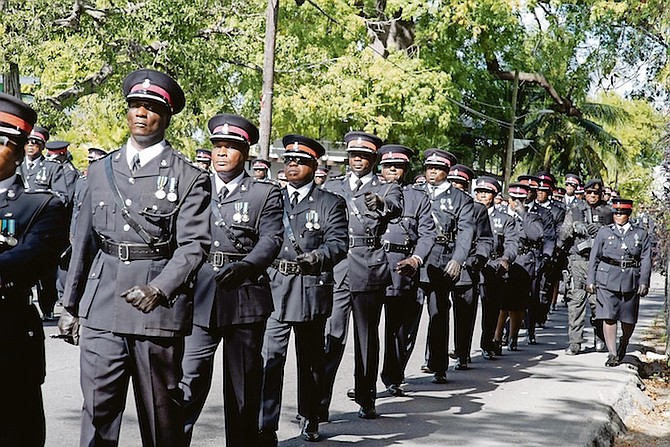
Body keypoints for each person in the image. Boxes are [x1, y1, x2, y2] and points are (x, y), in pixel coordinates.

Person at [60, 68, 211, 447]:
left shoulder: (188, 177)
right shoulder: (99, 171)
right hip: (102, 308)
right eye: (135, 105)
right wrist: (69, 304)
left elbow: (194, 245)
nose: (141, 113)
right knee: (97, 412)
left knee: (161, 417)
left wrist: (160, 288)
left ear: (167, 115)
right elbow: (84, 243)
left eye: (151, 107)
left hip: (156, 313)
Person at [180, 113, 284, 446]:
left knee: (243, 385)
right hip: (198, 295)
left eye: (231, 147)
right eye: (217, 146)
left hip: (243, 295)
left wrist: (249, 266)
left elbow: (271, 239)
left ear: (246, 153)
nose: (222, 153)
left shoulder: (264, 194)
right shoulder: (194, 187)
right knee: (187, 379)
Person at [258, 134, 348, 445]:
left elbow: (338, 244)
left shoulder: (330, 203)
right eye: (288, 160)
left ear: (314, 165)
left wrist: (318, 257)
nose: (292, 165)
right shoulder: (272, 198)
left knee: (310, 361)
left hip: (310, 289)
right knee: (270, 359)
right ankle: (265, 425)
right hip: (274, 287)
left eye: (300, 161)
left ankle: (311, 416)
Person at [0, 92, 68, 447]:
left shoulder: (40, 206)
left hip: (8, 331)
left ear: (19, 148)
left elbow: (34, 258)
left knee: (16, 431)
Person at [319, 131, 403, 419]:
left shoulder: (387, 188)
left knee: (366, 339)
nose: (358, 160)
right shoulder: (332, 186)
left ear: (373, 159)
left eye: (365, 156)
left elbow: (395, 209)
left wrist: (380, 204)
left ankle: (367, 397)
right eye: (354, 155)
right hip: (338, 268)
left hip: (369, 266)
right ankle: (318, 404)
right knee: (332, 337)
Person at [376, 144, 435, 394]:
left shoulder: (417, 198)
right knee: (366, 331)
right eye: (388, 165)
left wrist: (416, 260)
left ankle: (392, 376)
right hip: (372, 264)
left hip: (403, 268)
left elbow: (427, 235)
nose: (392, 170)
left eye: (398, 166)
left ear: (406, 169)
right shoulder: (369, 191)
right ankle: (365, 383)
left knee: (398, 330)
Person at [417, 150, 475, 383]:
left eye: (438, 168)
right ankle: (395, 372)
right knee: (405, 318)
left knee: (438, 313)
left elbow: (466, 232)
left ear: (447, 172)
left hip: (441, 260)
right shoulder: (414, 192)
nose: (432, 172)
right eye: (429, 168)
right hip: (413, 260)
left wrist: (458, 259)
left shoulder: (460, 199)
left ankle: (439, 365)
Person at [587, 198, 652, 367]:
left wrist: (644, 281)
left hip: (630, 279)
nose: (618, 216)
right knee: (608, 316)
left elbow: (646, 259)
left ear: (628, 215)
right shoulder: (604, 232)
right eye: (615, 213)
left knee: (628, 320)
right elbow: (594, 257)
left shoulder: (640, 234)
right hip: (607, 278)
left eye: (622, 213)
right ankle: (612, 353)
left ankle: (623, 342)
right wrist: (591, 280)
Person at [447, 164, 493, 370]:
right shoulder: (436, 204)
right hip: (440, 265)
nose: (455, 187)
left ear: (466, 187)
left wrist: (477, 259)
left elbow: (485, 240)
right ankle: (433, 358)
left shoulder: (477, 209)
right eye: (452, 183)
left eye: (460, 184)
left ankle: (462, 354)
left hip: (466, 267)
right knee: (437, 312)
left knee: (464, 314)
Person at [560, 179, 612, 355]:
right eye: (589, 193)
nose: (592, 196)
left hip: (599, 262)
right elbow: (562, 234)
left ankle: (600, 338)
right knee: (576, 302)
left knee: (598, 303)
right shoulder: (575, 210)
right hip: (578, 261)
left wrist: (603, 230)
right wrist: (575, 227)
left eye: (596, 193)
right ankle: (575, 343)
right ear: (584, 193)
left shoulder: (607, 211)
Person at [493, 183, 543, 351]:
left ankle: (513, 337)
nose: (517, 203)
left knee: (517, 305)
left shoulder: (532, 217)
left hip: (522, 262)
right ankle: (496, 338)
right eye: (514, 199)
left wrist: (523, 214)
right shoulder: (499, 215)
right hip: (501, 261)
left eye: (520, 200)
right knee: (501, 305)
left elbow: (537, 235)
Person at [474, 177, 518, 359]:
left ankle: (487, 343)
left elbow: (512, 242)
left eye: (487, 192)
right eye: (479, 192)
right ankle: (462, 350)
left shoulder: (504, 219)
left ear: (494, 195)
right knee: (464, 310)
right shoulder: (467, 213)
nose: (482, 195)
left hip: (492, 267)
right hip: (468, 266)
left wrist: (506, 259)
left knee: (490, 309)